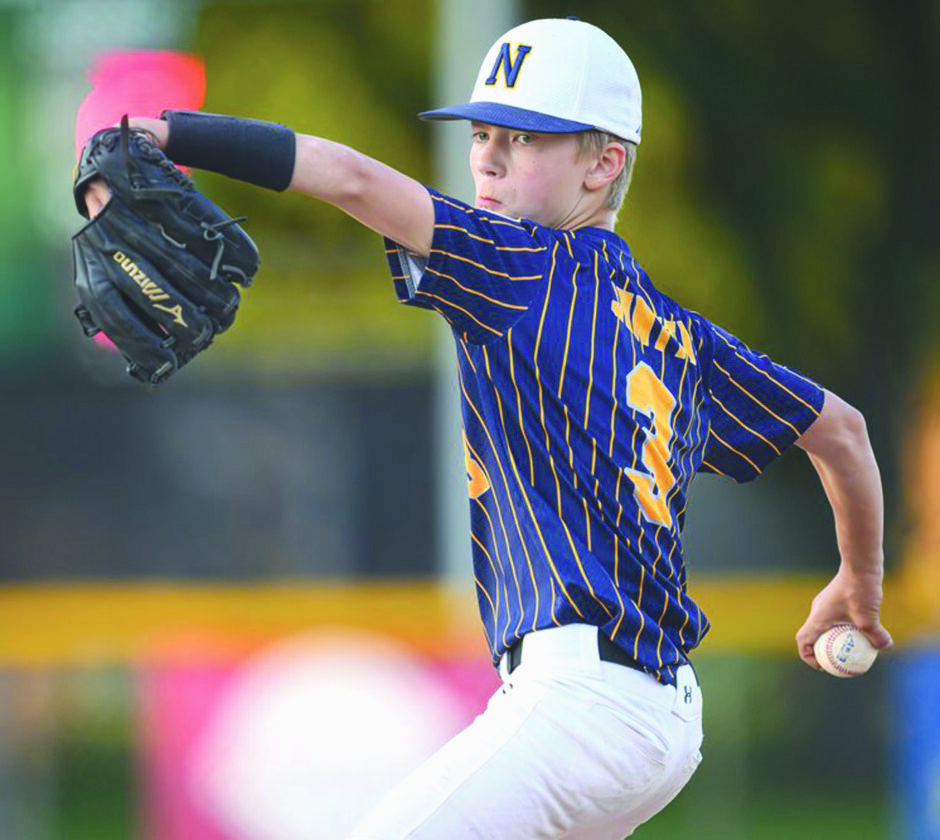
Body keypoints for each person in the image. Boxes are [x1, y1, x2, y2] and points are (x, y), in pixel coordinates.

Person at [80, 16, 893, 840]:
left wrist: (170, 133)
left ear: (604, 164)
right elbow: (844, 431)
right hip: (662, 719)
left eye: (526, 138)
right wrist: (858, 582)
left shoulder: (516, 266)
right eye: (482, 135)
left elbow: (352, 178)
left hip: (580, 705)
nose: (491, 159)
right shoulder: (683, 339)